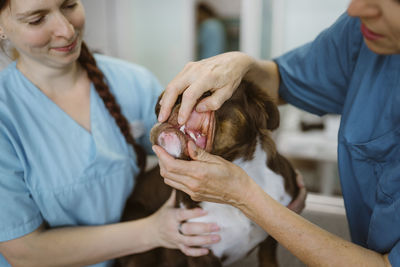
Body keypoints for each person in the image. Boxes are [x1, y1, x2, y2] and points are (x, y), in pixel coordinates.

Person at [154, 0, 400, 266]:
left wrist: (245, 196)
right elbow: (285, 79)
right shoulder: (362, 32)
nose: (355, 9)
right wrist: (243, 65)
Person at [0, 0, 221, 266]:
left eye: (70, 4)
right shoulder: (6, 115)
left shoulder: (133, 82)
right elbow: (24, 251)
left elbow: (195, 154)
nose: (67, 30)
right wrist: (153, 231)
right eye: (37, 19)